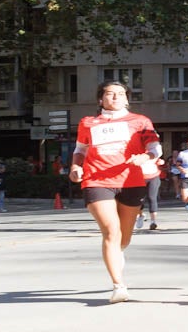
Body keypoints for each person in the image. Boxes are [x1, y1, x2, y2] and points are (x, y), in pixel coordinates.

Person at [68, 81, 161, 302]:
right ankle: (119, 285)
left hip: (131, 180)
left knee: (123, 237)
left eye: (120, 94)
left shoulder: (140, 121)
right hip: (96, 180)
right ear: (101, 99)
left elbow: (155, 148)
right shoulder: (88, 122)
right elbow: (80, 149)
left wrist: (145, 157)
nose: (116, 97)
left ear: (127, 99)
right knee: (111, 231)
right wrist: (75, 166)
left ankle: (116, 254)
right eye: (110, 94)